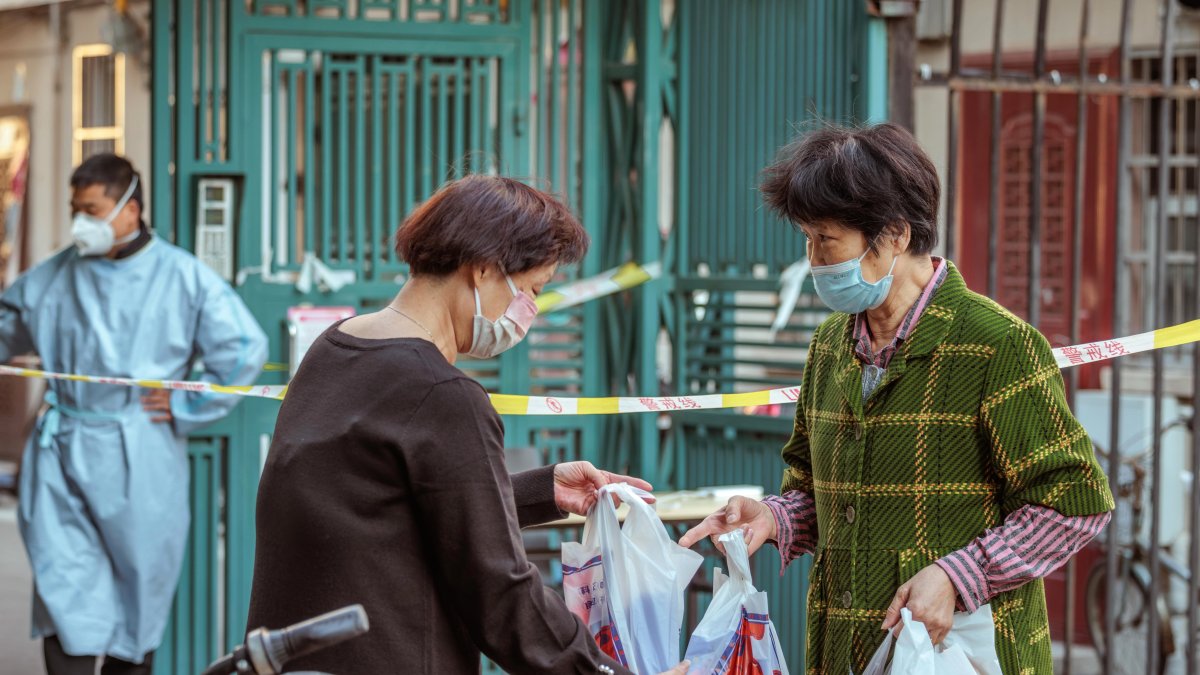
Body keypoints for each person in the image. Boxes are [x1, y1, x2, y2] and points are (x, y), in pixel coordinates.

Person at [680, 123, 1114, 674]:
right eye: (808, 239)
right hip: (844, 649)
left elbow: (1075, 502)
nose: (815, 260)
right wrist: (771, 517)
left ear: (895, 235)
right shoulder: (831, 347)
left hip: (963, 654)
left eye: (827, 240)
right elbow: (815, 493)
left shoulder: (997, 343)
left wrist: (960, 576)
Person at [246, 175, 687, 675]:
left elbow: (384, 504)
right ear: (482, 269)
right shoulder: (442, 394)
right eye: (531, 291)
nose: (531, 313)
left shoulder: (334, 349)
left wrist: (541, 490)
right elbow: (499, 591)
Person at [0, 154, 268, 674]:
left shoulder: (182, 277)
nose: (81, 221)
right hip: (62, 453)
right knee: (63, 595)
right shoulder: (53, 276)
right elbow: (7, 325)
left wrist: (188, 400)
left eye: (92, 209)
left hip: (140, 453)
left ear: (131, 210)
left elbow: (241, 348)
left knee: (137, 599)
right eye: (76, 208)